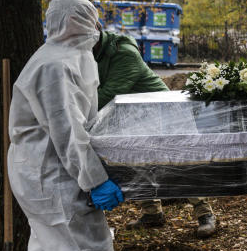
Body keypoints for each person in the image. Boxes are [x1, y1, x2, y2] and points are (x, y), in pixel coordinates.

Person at [0, 0, 137, 251]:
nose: (97, 27)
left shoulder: (70, 57)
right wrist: (96, 179)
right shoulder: (55, 65)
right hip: (51, 173)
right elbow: (67, 131)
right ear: (76, 21)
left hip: (45, 171)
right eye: (90, 19)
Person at [93, 24, 217, 238]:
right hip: (132, 114)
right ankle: (152, 213)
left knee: (181, 162)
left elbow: (109, 93)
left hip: (162, 111)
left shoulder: (123, 52)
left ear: (96, 31)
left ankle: (205, 214)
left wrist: (74, 109)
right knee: (134, 161)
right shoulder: (90, 53)